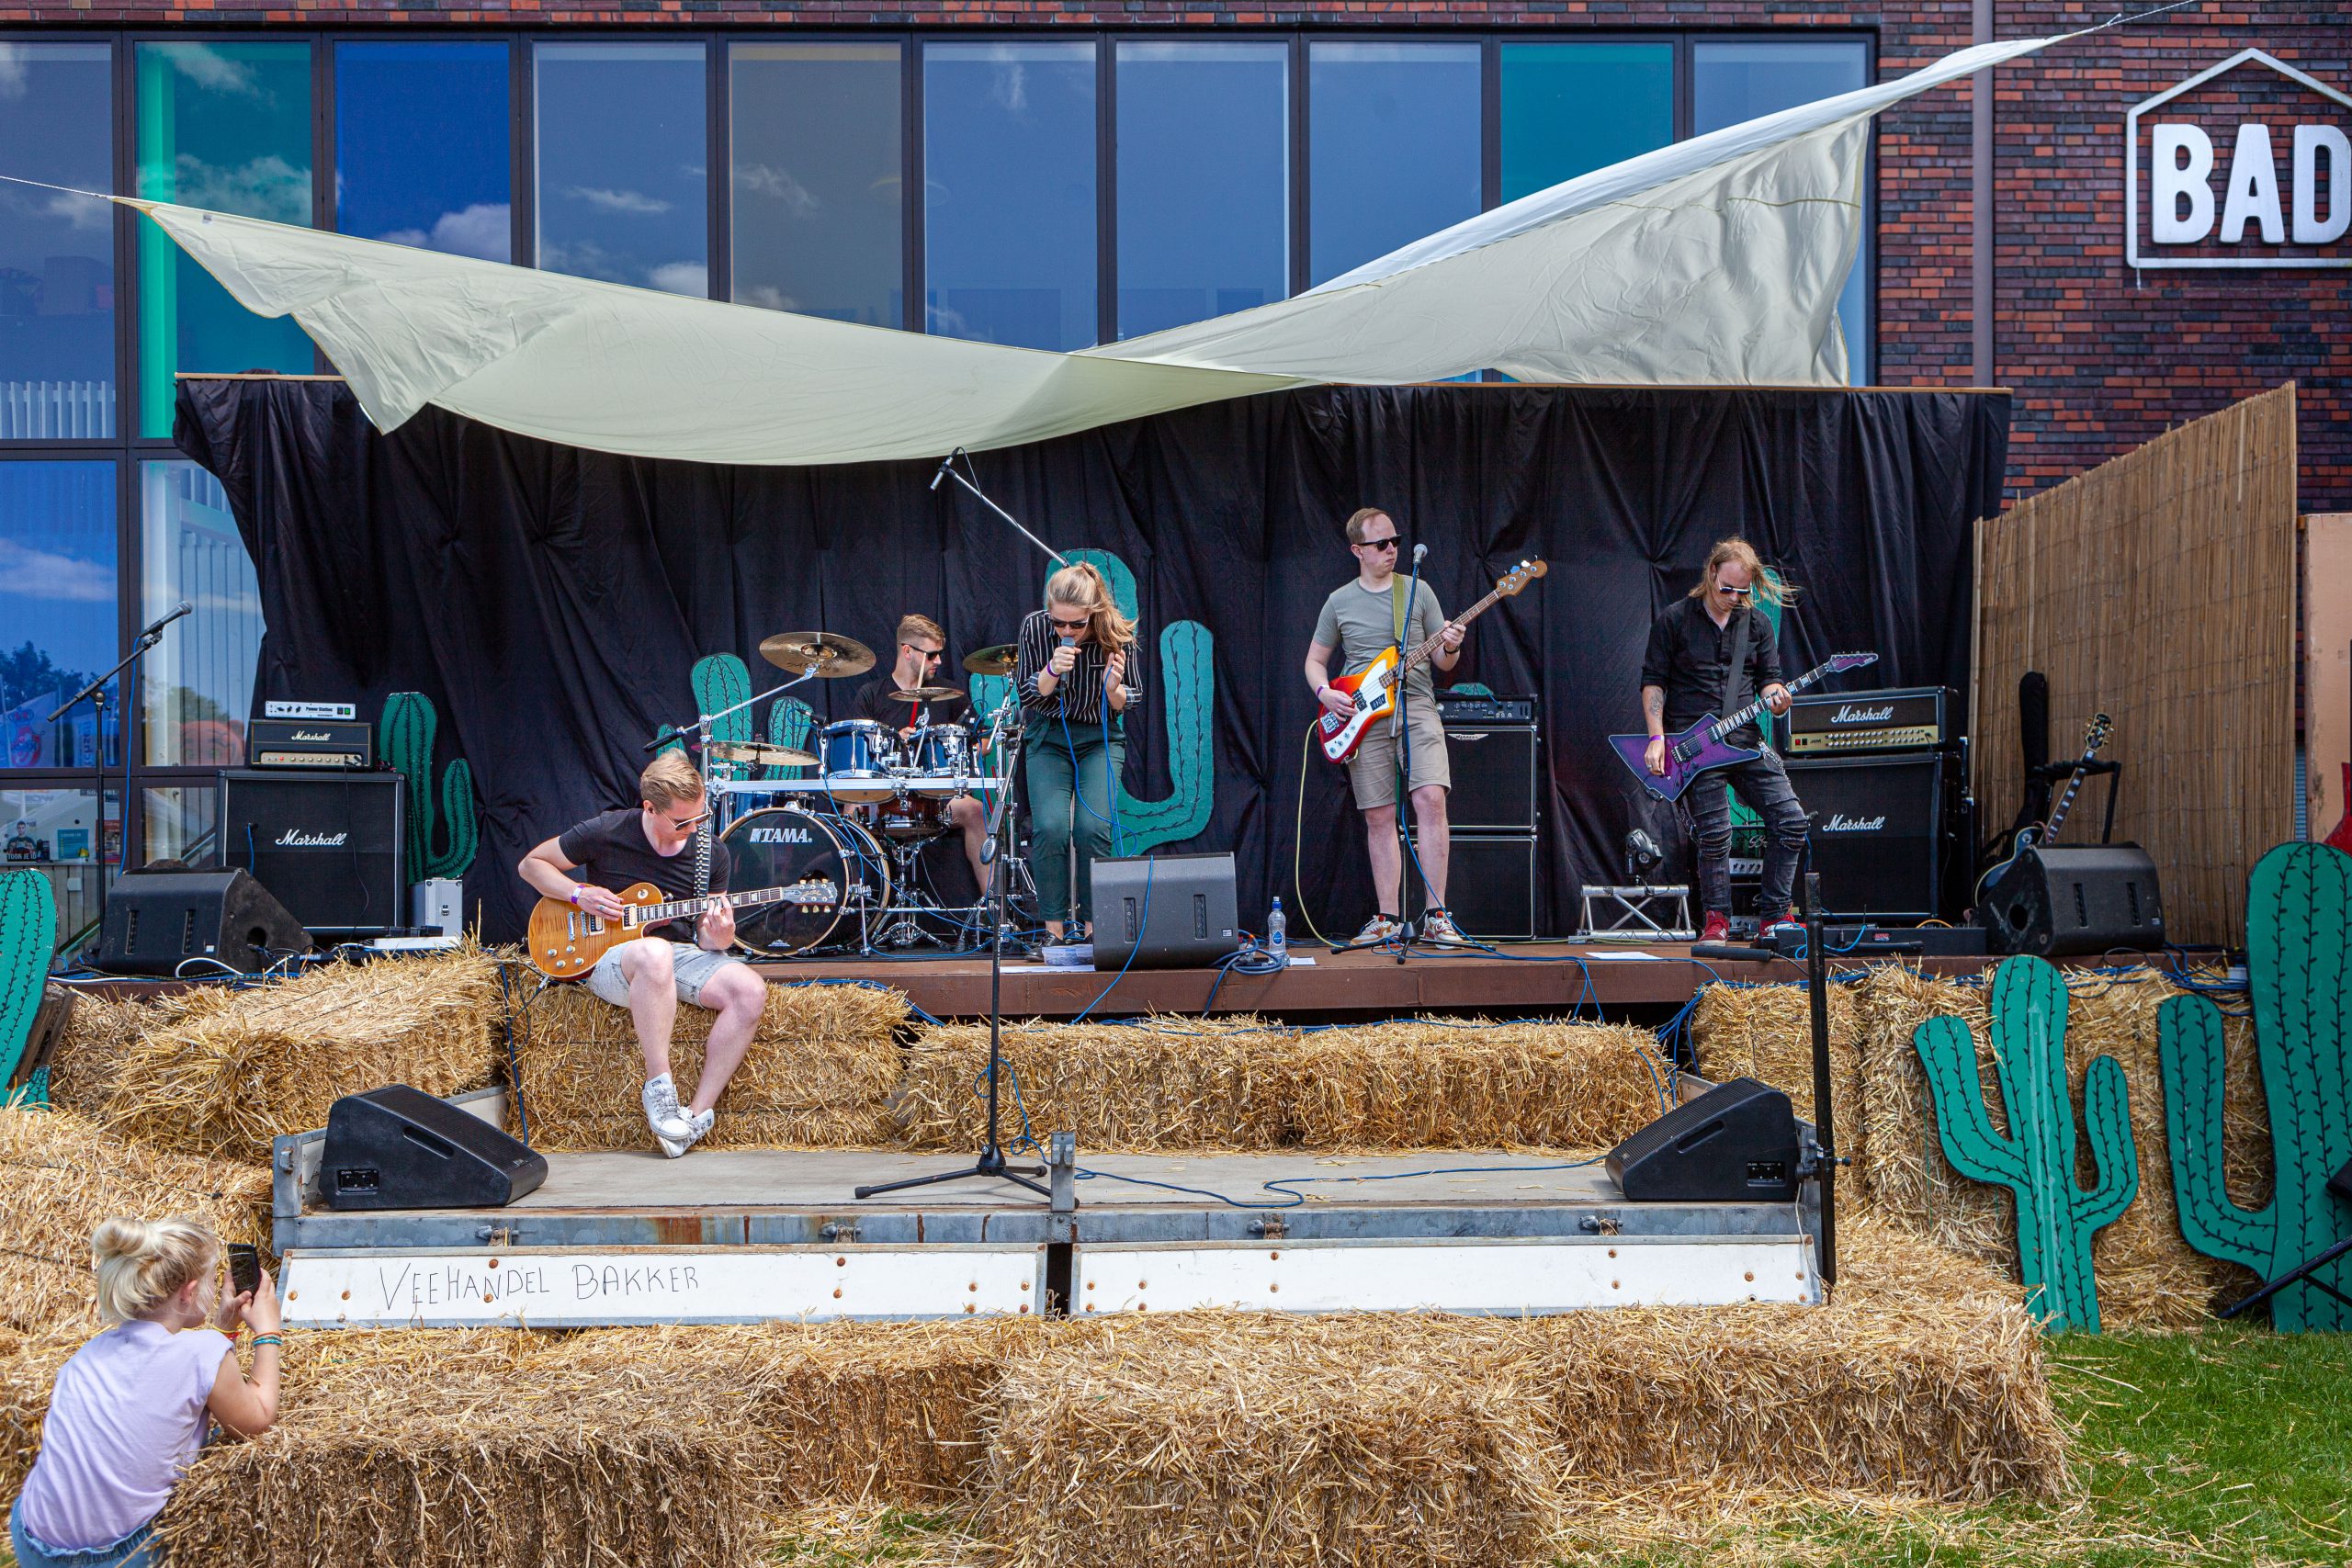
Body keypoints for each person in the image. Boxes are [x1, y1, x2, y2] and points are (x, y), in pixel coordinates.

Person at [517, 750, 766, 1157]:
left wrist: (721, 937)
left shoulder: (711, 852)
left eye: (701, 817)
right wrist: (579, 894)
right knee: (653, 953)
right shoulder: (608, 830)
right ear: (650, 808)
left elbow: (706, 937)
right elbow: (531, 866)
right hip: (611, 956)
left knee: (750, 990)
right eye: (682, 822)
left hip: (679, 953)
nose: (694, 828)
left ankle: (694, 1118)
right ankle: (660, 1090)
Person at [13, 1217, 280, 1568]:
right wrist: (268, 1330)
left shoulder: (86, 1355)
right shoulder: (203, 1351)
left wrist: (224, 1328)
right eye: (212, 1281)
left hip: (33, 1542)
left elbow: (180, 1376)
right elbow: (257, 1420)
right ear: (189, 1292)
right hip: (122, 1556)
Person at [1304, 507, 1467, 945]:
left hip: (1416, 704)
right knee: (1378, 815)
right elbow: (1315, 661)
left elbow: (1443, 661)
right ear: (1357, 550)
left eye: (1395, 541)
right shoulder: (1339, 601)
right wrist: (1326, 693)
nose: (1392, 549)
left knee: (1431, 799)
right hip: (1362, 715)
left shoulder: (1417, 590)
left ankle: (1437, 915)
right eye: (1381, 544)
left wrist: (1452, 645)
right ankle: (1388, 918)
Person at [1638, 536, 1808, 945]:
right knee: (1715, 834)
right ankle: (1716, 920)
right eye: (1726, 588)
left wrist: (1778, 699)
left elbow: (1770, 680)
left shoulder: (1757, 624)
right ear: (1711, 573)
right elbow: (1653, 683)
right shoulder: (1675, 620)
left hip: (1744, 741)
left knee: (1792, 821)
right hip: (1695, 748)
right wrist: (1657, 737)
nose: (1733, 597)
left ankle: (1775, 917)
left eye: (1742, 591)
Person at [1014, 562, 1136, 944]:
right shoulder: (1035, 628)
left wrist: (1113, 689)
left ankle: (1094, 929)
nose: (1066, 631)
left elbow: (1130, 699)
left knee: (1092, 828)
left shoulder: (1116, 631)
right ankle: (1052, 930)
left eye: (1076, 624)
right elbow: (1028, 693)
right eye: (1059, 623)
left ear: (1093, 613)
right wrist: (1052, 669)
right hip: (1049, 735)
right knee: (1049, 828)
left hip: (1099, 736)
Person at [848, 614, 989, 895]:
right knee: (850, 808)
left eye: (940, 654)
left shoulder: (950, 694)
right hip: (884, 798)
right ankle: (853, 905)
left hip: (936, 800)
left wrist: (960, 749)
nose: (939, 661)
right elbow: (857, 755)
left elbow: (983, 742)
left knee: (973, 809)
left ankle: (993, 905)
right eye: (932, 654)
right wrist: (894, 740)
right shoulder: (871, 695)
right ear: (907, 651)